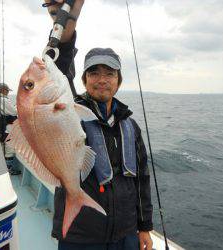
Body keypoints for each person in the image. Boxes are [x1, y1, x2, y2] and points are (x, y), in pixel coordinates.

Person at [44, 1, 153, 249]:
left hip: (126, 233)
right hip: (81, 235)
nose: (102, 80)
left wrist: (144, 227)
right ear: (83, 79)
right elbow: (60, 61)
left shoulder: (130, 125)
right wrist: (65, 16)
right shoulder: (70, 110)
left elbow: (142, 180)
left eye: (109, 73)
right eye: (94, 73)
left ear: (118, 80)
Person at [0, 82, 20, 175]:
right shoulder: (2, 100)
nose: (8, 92)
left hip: (0, 128)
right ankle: (9, 170)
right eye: (7, 90)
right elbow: (14, 111)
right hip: (7, 128)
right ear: (3, 90)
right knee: (9, 150)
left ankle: (3, 169)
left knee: (3, 148)